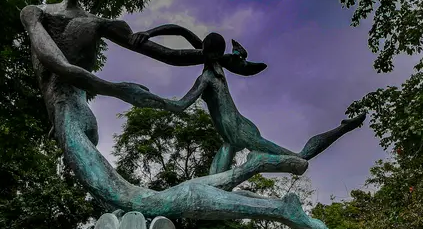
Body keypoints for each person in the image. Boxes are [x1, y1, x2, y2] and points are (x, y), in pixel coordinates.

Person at [20, 0, 335, 229]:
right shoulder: (35, 13)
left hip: (72, 116)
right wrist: (118, 90)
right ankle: (252, 169)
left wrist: (214, 57)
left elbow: (167, 55)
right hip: (69, 116)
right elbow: (56, 63)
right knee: (131, 204)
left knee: (148, 202)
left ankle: (278, 207)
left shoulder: (99, 23)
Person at [134, 32, 367, 174]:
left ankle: (344, 127)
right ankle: (239, 53)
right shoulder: (214, 69)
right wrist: (149, 33)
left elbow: (180, 106)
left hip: (242, 133)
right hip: (229, 140)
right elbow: (185, 33)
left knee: (300, 156)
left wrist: (149, 99)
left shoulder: (209, 77)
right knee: (213, 184)